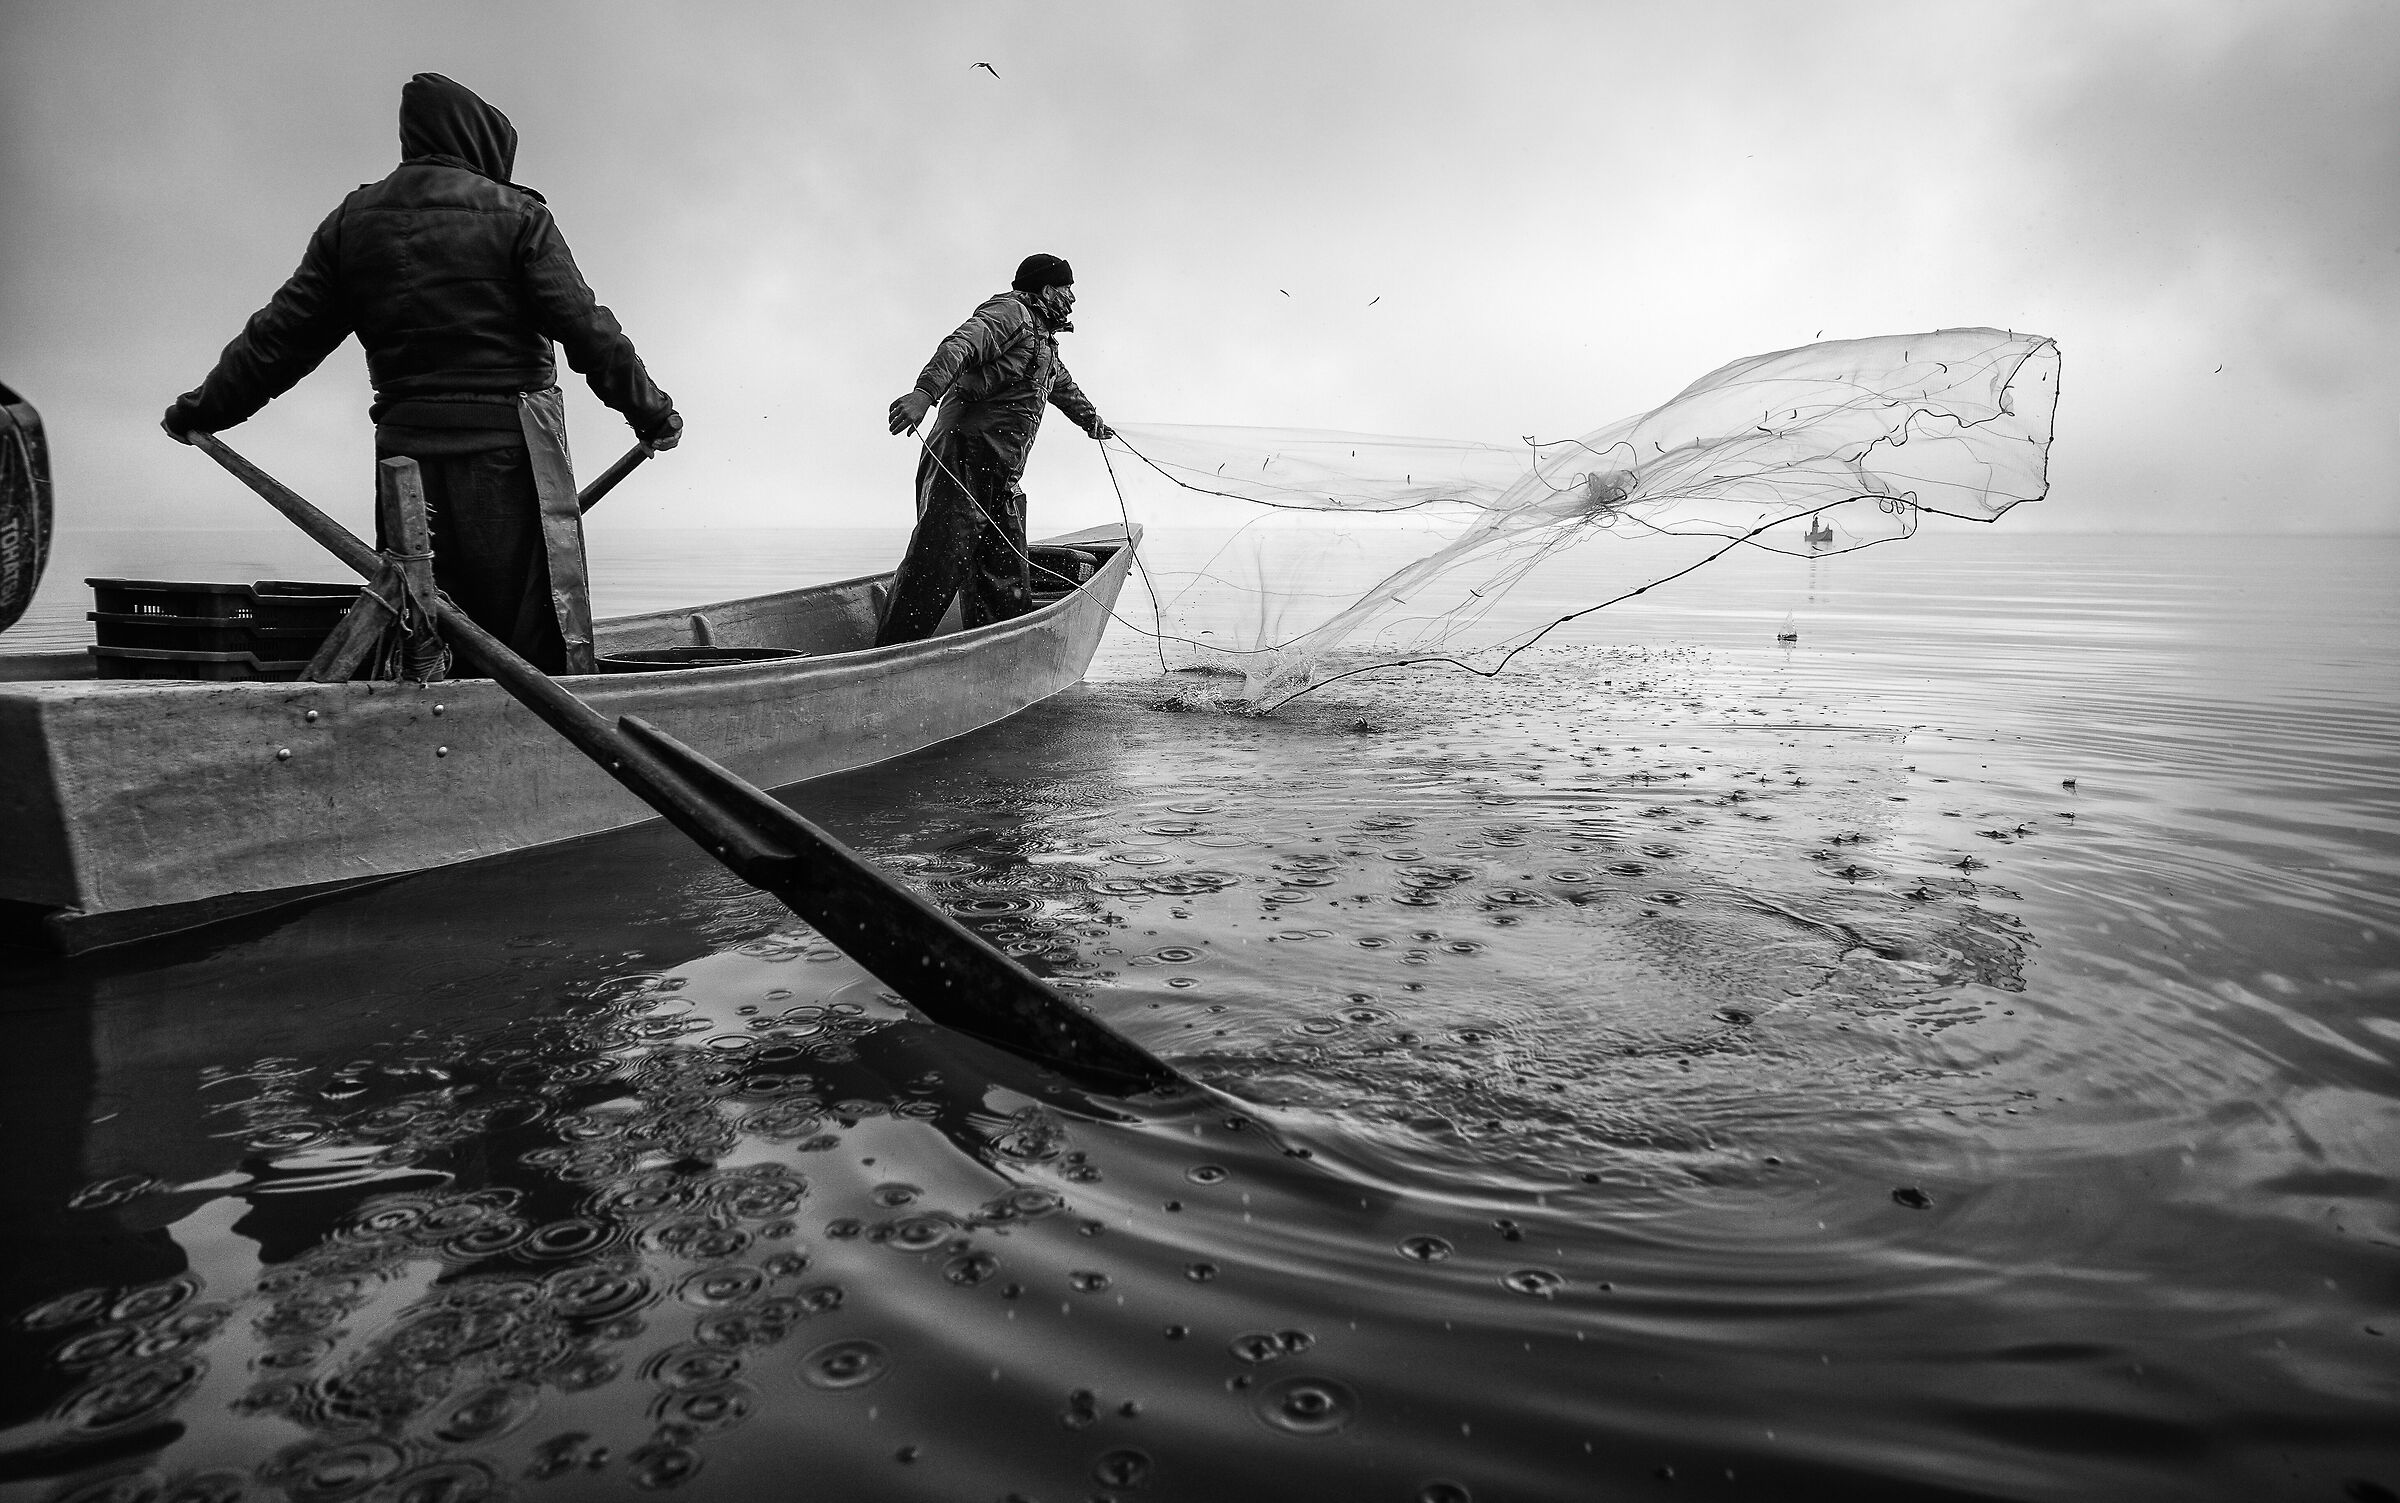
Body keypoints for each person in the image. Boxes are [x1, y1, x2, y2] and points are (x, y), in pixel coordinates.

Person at [161, 72, 681, 675]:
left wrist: (202, 409)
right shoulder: (516, 217)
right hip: (510, 456)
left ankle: (431, 725)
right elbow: (587, 329)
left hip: (404, 456)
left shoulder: (351, 222)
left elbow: (277, 340)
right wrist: (651, 411)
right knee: (528, 637)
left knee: (423, 627)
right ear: (480, 143)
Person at [877, 254, 1110, 646]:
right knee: (936, 563)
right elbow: (962, 345)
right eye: (1067, 288)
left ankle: (997, 651)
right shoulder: (1010, 313)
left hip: (1000, 475)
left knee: (1003, 574)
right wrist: (923, 395)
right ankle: (889, 654)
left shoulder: (1043, 343)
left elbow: (1063, 387)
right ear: (1048, 289)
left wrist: (1092, 421)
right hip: (961, 461)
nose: (1072, 298)